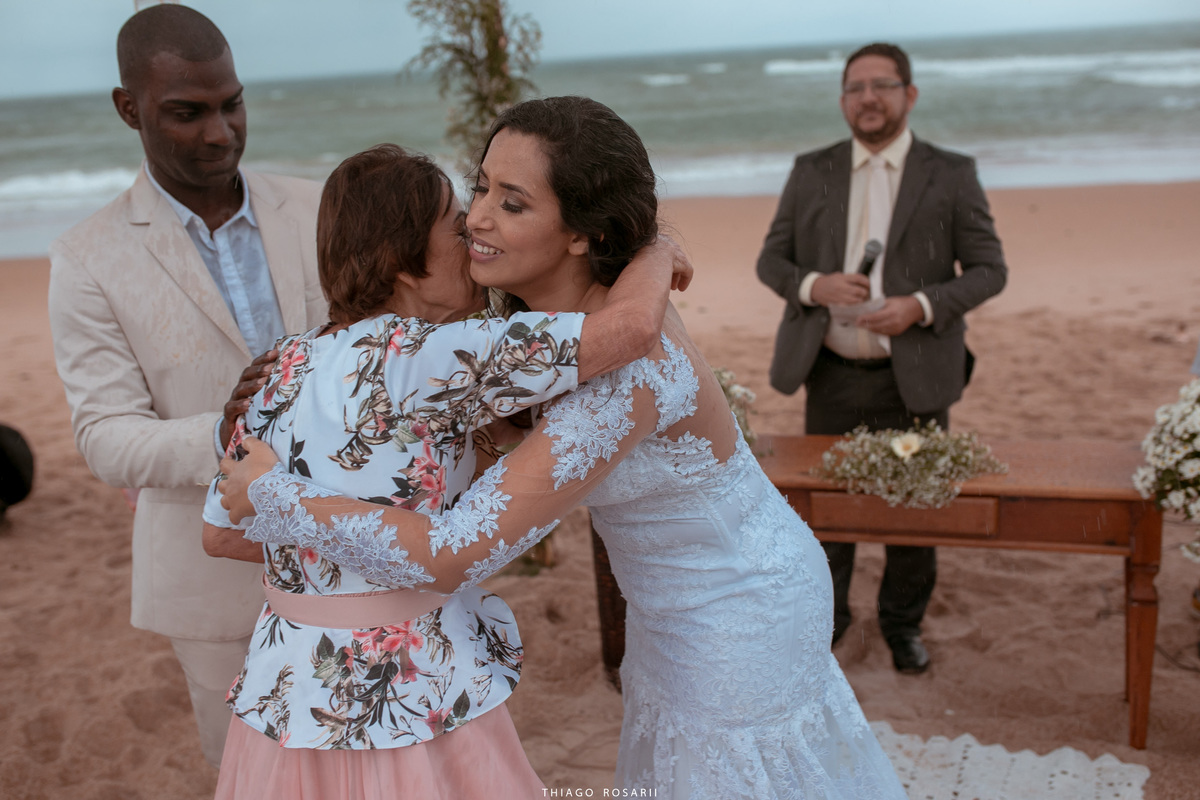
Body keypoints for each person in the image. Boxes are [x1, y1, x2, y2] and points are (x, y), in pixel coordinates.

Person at [213, 96, 908, 799]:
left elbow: (456, 548)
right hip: (664, 608)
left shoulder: (624, 373)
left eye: (512, 203)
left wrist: (272, 490)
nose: (476, 218)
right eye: (481, 188)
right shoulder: (526, 339)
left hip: (738, 604)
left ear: (581, 234)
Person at [200, 143, 689, 797]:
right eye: (457, 230)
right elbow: (628, 332)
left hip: (289, 693)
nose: (474, 243)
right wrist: (657, 251)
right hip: (404, 688)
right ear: (405, 264)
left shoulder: (278, 366)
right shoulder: (435, 357)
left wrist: (323, 541)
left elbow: (221, 534)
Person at [46, 5, 329, 766]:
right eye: (187, 112)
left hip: (358, 553)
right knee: (251, 771)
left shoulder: (317, 208)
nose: (220, 132)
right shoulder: (87, 258)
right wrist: (221, 434)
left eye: (232, 104)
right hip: (211, 583)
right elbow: (104, 437)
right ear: (128, 107)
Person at [755, 42, 1008, 674]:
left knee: (915, 514)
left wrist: (919, 306)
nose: (868, 98)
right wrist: (816, 286)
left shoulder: (950, 173)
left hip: (914, 378)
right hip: (830, 374)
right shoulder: (811, 169)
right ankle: (831, 622)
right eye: (855, 88)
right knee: (827, 513)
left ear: (909, 95)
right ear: (843, 100)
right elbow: (772, 261)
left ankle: (902, 626)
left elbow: (989, 270)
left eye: (882, 85)